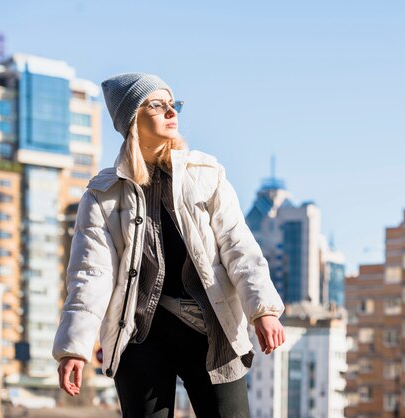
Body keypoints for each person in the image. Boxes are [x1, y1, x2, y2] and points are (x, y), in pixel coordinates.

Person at [53, 73, 285, 417]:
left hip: (211, 329)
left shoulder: (206, 175)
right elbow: (90, 274)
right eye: (157, 105)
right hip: (138, 336)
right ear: (132, 118)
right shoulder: (102, 196)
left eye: (172, 104)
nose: (171, 112)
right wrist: (74, 347)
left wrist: (262, 309)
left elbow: (238, 246)